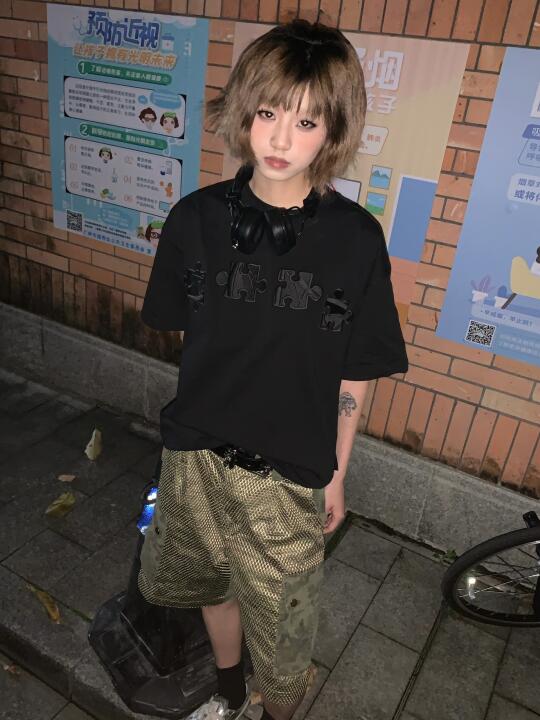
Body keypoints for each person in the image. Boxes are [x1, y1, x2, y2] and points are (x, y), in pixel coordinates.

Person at [137, 17, 408, 720]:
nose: (281, 140)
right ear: (244, 112)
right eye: (267, 114)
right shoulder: (193, 219)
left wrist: (337, 471)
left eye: (307, 122)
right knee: (210, 588)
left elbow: (357, 369)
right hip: (195, 459)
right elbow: (192, 336)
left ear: (333, 131)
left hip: (288, 477)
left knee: (286, 643)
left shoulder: (355, 240)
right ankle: (229, 692)